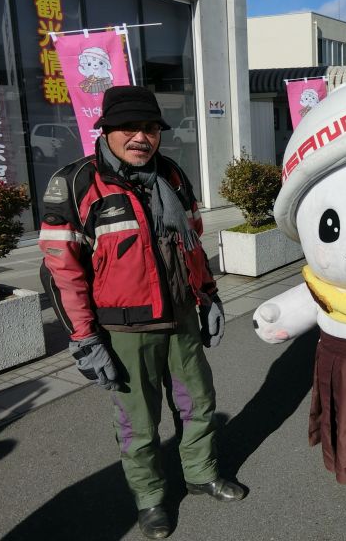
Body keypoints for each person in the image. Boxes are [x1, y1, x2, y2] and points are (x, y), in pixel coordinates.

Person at [39, 86, 245, 539]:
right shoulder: (77, 183)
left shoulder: (172, 174)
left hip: (181, 316)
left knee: (198, 404)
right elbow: (61, 271)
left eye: (150, 128)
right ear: (106, 131)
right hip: (124, 329)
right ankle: (150, 499)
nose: (141, 137)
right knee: (139, 422)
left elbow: (192, 242)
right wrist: (83, 337)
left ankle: (201, 473)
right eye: (129, 128)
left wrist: (209, 295)